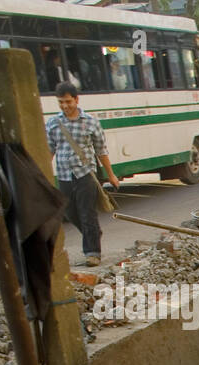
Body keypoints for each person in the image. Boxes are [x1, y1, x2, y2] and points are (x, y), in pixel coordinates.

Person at [46, 82, 119, 268]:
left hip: (86, 174)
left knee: (87, 213)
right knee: (70, 212)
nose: (65, 106)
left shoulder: (91, 122)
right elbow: (49, 150)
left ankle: (92, 253)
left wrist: (111, 175)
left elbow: (101, 150)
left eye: (68, 101)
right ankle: (93, 234)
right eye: (61, 102)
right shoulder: (53, 123)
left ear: (76, 99)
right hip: (63, 175)